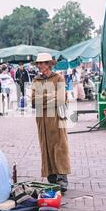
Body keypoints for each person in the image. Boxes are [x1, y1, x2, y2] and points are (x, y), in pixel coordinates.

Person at [31, 53, 71, 193]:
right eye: (38, 63)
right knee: (46, 147)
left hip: (57, 118)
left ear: (49, 64)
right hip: (42, 119)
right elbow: (34, 101)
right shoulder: (36, 80)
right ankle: (52, 177)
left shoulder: (58, 78)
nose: (39, 66)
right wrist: (51, 96)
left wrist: (44, 97)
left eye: (42, 63)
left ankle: (62, 178)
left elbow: (61, 99)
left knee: (59, 147)